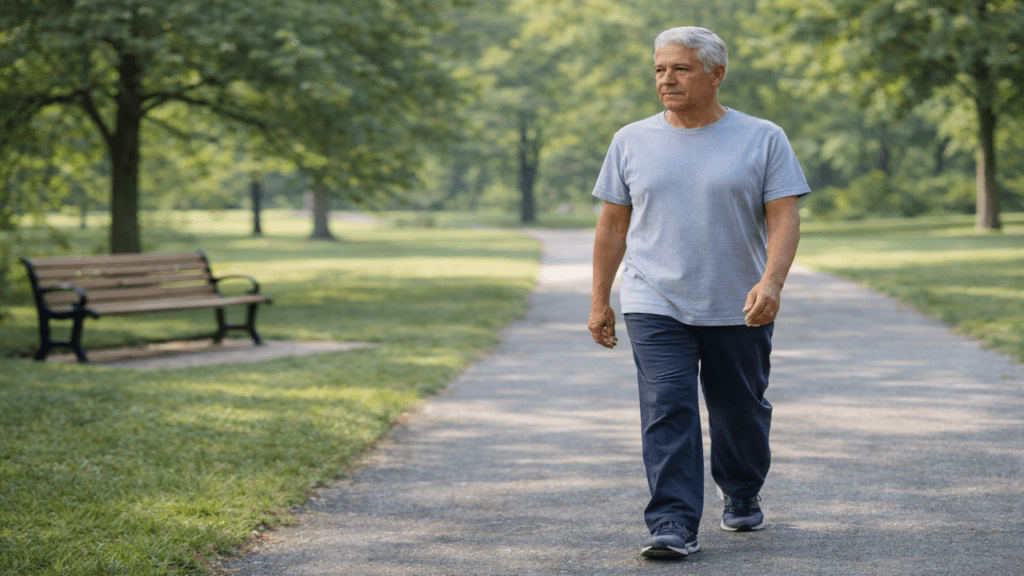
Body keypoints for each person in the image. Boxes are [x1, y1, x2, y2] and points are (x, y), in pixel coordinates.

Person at [588, 26, 809, 559]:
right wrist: (600, 299)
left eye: (681, 68)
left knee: (740, 411)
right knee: (668, 407)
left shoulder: (762, 137)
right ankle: (672, 522)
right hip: (654, 298)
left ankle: (741, 488)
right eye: (661, 69)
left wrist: (771, 281)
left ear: (716, 74)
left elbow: (784, 217)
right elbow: (612, 227)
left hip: (738, 300)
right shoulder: (631, 140)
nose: (667, 79)